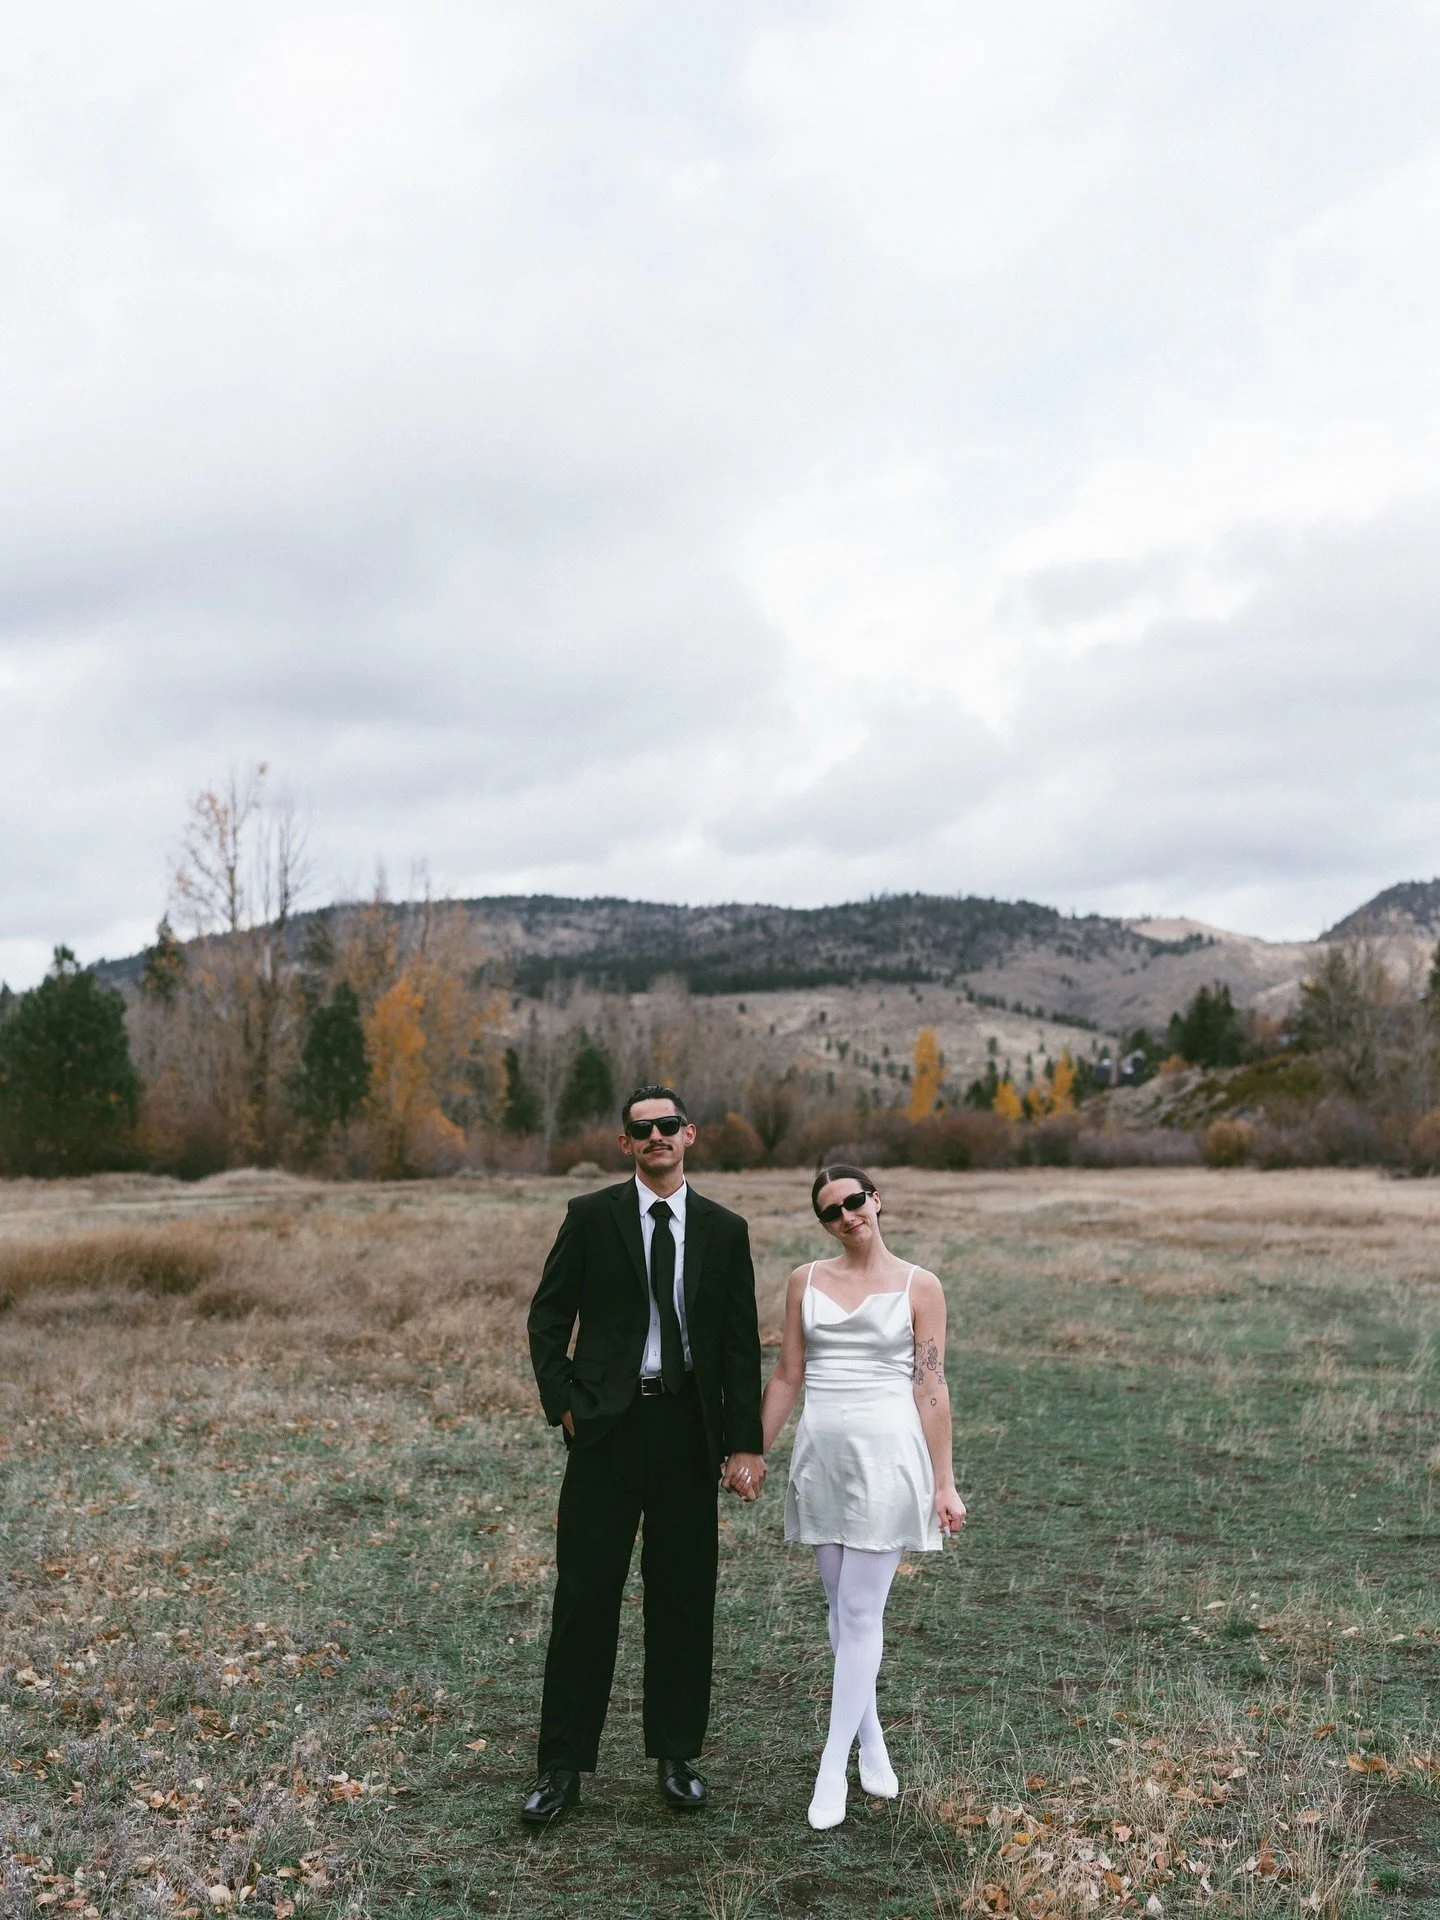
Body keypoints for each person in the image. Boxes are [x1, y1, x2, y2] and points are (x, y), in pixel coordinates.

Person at [521, 1084, 767, 1827]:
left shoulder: (725, 1231)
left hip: (686, 1433)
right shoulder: (591, 1217)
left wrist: (744, 1441)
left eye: (668, 1126)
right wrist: (565, 1400)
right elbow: (548, 1314)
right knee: (585, 1598)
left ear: (689, 1135)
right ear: (625, 1143)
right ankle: (561, 1769)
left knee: (682, 1600)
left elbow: (735, 1346)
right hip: (605, 1430)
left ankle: (676, 1756)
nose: (656, 1137)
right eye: (641, 1129)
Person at [760, 1164, 966, 1830]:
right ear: (822, 1222)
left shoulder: (919, 1284)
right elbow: (789, 1373)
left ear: (876, 1201)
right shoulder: (805, 1280)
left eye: (854, 1202)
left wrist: (944, 1482)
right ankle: (871, 1740)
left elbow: (929, 1386)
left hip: (887, 1457)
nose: (846, 1216)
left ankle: (831, 1767)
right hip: (821, 1455)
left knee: (858, 1607)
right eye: (830, 1211)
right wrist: (753, 1451)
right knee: (841, 1612)